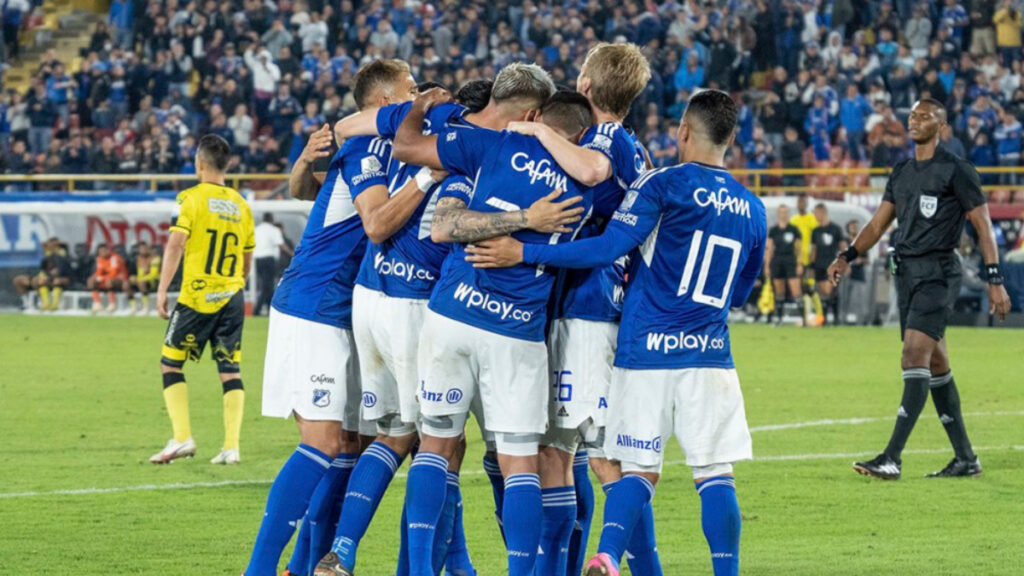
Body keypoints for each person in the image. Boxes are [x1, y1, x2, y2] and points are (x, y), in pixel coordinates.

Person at [463, 89, 766, 576]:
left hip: (645, 352)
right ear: (731, 138)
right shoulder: (754, 208)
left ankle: (606, 554)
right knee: (714, 475)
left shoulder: (661, 184)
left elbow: (606, 248)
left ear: (684, 131)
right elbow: (739, 295)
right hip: (710, 355)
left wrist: (526, 253)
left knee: (636, 470)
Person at [317, 64, 568, 576]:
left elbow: (345, 127)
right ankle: (372, 558)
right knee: (435, 443)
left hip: (371, 291)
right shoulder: (499, 150)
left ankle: (416, 560)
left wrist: (412, 108)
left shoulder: (447, 122)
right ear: (534, 114)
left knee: (405, 433)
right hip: (421, 303)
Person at [379, 87, 591, 576]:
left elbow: (409, 155)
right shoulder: (588, 182)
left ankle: (418, 570)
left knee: (435, 444)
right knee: (519, 462)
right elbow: (603, 240)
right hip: (516, 330)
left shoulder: (490, 144)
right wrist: (528, 229)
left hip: (451, 313)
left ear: (535, 117)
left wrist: (418, 105)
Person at [246, 60, 426, 576]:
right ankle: (258, 569)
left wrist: (304, 164)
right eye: (410, 90)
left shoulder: (372, 146)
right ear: (385, 98)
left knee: (350, 442)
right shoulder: (372, 146)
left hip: (344, 310)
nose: (416, 98)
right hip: (315, 305)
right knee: (323, 441)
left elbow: (309, 189)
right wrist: (426, 179)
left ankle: (302, 567)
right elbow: (373, 223)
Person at [502, 43, 661, 576]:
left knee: (579, 456)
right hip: (598, 308)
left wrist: (537, 130)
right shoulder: (634, 146)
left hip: (585, 311)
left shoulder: (604, 139)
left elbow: (591, 172)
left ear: (588, 87)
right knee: (584, 456)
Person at [828, 99, 1011, 480]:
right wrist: (847, 255)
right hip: (907, 274)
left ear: (942, 126)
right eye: (912, 115)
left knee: (914, 355)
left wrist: (995, 279)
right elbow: (878, 224)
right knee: (937, 363)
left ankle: (892, 457)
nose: (915, 120)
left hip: (939, 273)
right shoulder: (903, 171)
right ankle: (966, 459)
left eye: (925, 116)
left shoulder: (956, 170)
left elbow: (982, 224)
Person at [151, 134, 255, 466]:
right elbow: (246, 256)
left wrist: (162, 289)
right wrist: (237, 284)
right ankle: (231, 447)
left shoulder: (189, 198)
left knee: (170, 363)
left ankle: (182, 438)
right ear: (227, 165)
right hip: (232, 295)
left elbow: (175, 245)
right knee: (229, 369)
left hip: (197, 296)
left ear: (199, 164)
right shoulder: (241, 205)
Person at [809, 204, 846, 325]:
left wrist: (844, 262)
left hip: (831, 265)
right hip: (819, 265)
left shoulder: (835, 229)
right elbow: (813, 250)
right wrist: (811, 266)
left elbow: (843, 247)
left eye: (816, 213)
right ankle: (824, 318)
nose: (815, 215)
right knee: (822, 293)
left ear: (822, 212)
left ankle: (835, 318)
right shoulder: (815, 231)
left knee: (829, 291)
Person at [765, 205, 802, 323]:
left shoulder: (794, 230)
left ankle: (802, 318)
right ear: (778, 214)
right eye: (781, 212)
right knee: (779, 290)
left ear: (788, 214)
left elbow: (799, 249)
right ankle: (779, 318)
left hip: (790, 260)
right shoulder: (773, 230)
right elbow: (769, 249)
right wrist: (767, 266)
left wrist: (799, 264)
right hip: (777, 260)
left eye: (785, 212)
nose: (783, 214)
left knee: (796, 289)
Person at [12, 237, 70, 311]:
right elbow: (42, 270)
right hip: (41, 277)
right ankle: (26, 304)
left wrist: (48, 276)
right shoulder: (44, 257)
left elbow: (61, 272)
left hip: (54, 280)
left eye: (53, 245)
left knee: (41, 280)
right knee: (18, 280)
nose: (49, 247)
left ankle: (42, 302)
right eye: (49, 245)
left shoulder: (62, 256)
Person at [252, 213, 292, 316]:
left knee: (266, 285)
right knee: (267, 285)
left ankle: (270, 310)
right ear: (272, 220)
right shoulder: (274, 230)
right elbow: (281, 245)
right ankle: (257, 311)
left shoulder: (257, 229)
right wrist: (292, 254)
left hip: (257, 259)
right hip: (268, 259)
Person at [87, 243, 129, 313]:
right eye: (100, 252)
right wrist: (95, 277)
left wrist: (101, 278)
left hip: (120, 279)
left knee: (109, 281)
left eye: (104, 251)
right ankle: (97, 304)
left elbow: (114, 273)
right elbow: (99, 272)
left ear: (108, 250)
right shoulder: (99, 259)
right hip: (107, 278)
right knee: (91, 281)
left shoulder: (114, 258)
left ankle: (112, 304)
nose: (102, 253)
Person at [129, 241, 161, 314]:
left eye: (145, 248)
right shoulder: (139, 259)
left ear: (148, 249)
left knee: (141, 282)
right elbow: (141, 274)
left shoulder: (155, 258)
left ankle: (146, 307)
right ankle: (133, 306)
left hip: (155, 281)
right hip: (144, 280)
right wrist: (135, 278)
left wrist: (140, 279)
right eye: (141, 249)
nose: (143, 250)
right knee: (127, 283)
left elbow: (154, 274)